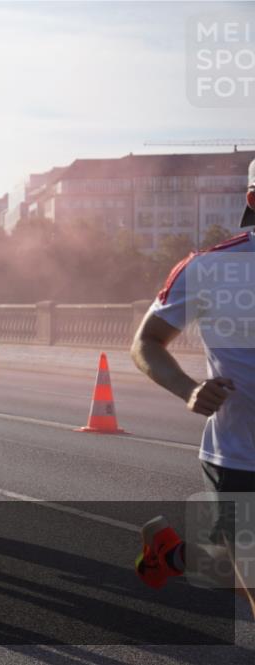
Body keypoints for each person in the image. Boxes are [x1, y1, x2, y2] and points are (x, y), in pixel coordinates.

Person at [130, 158, 255, 612]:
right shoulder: (209, 269)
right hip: (241, 458)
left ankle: (173, 554)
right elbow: (146, 341)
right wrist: (188, 390)